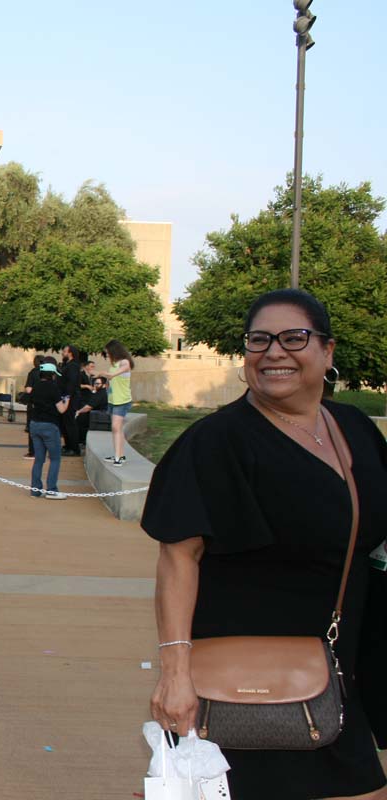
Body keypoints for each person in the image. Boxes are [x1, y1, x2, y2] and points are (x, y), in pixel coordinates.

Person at [144, 288, 387, 800]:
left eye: (293, 337)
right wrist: (175, 676)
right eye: (259, 339)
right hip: (234, 690)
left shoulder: (356, 432)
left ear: (327, 351)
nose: (274, 352)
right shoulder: (217, 441)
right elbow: (178, 557)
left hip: (339, 680)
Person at [28, 358, 69, 500]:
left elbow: (31, 401)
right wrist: (67, 399)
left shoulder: (36, 386)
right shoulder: (53, 388)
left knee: (39, 459)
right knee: (55, 459)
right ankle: (51, 490)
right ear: (52, 374)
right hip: (50, 426)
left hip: (35, 424)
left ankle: (35, 490)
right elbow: (62, 409)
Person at [100, 339, 134, 465]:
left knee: (116, 427)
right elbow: (110, 379)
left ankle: (118, 457)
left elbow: (125, 368)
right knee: (115, 428)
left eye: (108, 352)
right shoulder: (113, 365)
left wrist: (107, 374)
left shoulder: (124, 362)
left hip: (122, 401)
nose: (107, 355)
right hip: (113, 400)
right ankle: (119, 454)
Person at [59, 345, 83, 456]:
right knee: (65, 423)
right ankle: (68, 445)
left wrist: (67, 397)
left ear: (70, 353)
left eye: (64, 351)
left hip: (70, 398)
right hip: (66, 397)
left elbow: (71, 383)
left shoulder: (73, 366)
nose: (62, 353)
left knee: (70, 423)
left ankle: (74, 448)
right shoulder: (67, 365)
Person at [21, 354, 43, 459]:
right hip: (47, 405)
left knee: (32, 428)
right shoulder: (50, 373)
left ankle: (32, 452)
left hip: (34, 404)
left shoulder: (33, 373)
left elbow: (28, 389)